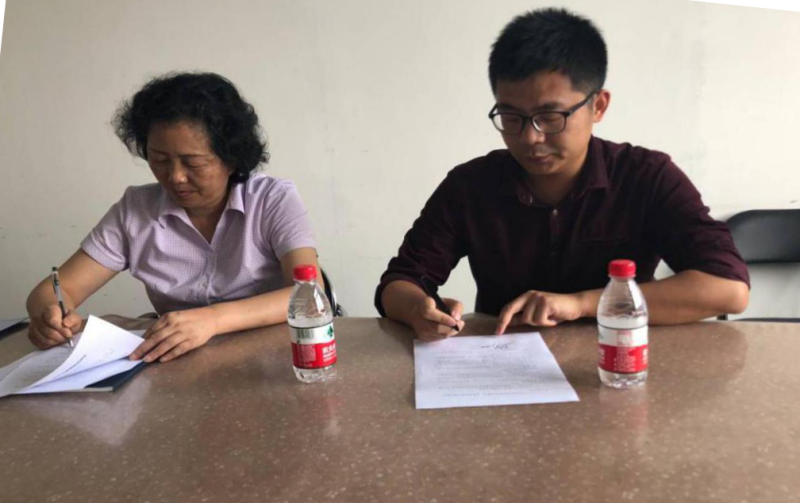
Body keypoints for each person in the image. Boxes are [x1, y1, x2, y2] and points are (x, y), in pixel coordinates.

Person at [375, 8, 750, 341]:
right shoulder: (470, 187)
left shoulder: (646, 177)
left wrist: (581, 304)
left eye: (550, 117)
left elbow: (728, 287)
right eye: (511, 117)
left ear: (598, 105)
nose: (530, 137)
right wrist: (418, 309)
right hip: (502, 370)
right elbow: (399, 282)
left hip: (617, 363)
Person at [27, 72, 322, 362]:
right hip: (181, 362)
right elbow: (54, 290)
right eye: (160, 159)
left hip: (275, 356)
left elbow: (309, 295)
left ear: (232, 158)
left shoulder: (272, 200)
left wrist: (213, 320)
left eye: (193, 163)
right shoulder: (136, 210)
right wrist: (50, 316)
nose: (175, 176)